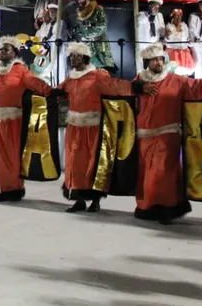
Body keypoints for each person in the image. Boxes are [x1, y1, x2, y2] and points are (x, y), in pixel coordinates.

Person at [133, 43, 202, 223]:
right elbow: (126, 94)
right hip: (144, 135)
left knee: (165, 171)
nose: (158, 63)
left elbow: (197, 87)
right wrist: (138, 88)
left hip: (167, 134)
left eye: (160, 59)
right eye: (154, 60)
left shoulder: (176, 80)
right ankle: (147, 206)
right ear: (147, 62)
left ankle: (167, 208)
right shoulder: (139, 80)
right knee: (146, 172)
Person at [58, 42, 147, 212]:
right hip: (74, 128)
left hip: (93, 128)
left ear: (85, 58)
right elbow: (60, 92)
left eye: (77, 56)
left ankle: (95, 200)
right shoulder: (70, 79)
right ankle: (79, 200)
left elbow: (116, 85)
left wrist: (135, 87)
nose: (74, 59)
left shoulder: (97, 77)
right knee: (75, 164)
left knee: (94, 163)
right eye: (72, 56)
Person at [0, 35, 53, 202]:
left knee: (9, 156)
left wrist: (51, 92)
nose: (2, 52)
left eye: (6, 49)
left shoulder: (20, 70)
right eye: (1, 49)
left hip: (11, 121)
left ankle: (10, 189)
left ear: (14, 52)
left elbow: (34, 82)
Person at [66, 0, 116, 72]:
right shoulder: (80, 11)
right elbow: (80, 27)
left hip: (98, 45)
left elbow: (103, 26)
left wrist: (88, 31)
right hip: (85, 45)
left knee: (100, 70)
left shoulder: (98, 9)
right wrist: (73, 32)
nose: (79, 0)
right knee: (84, 69)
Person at [164, 9, 194, 76]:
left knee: (185, 74)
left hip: (184, 53)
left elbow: (187, 38)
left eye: (180, 15)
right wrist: (168, 35)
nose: (179, 17)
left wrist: (190, 42)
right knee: (175, 73)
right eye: (177, 16)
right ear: (173, 17)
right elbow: (167, 41)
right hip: (174, 53)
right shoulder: (169, 26)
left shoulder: (184, 25)